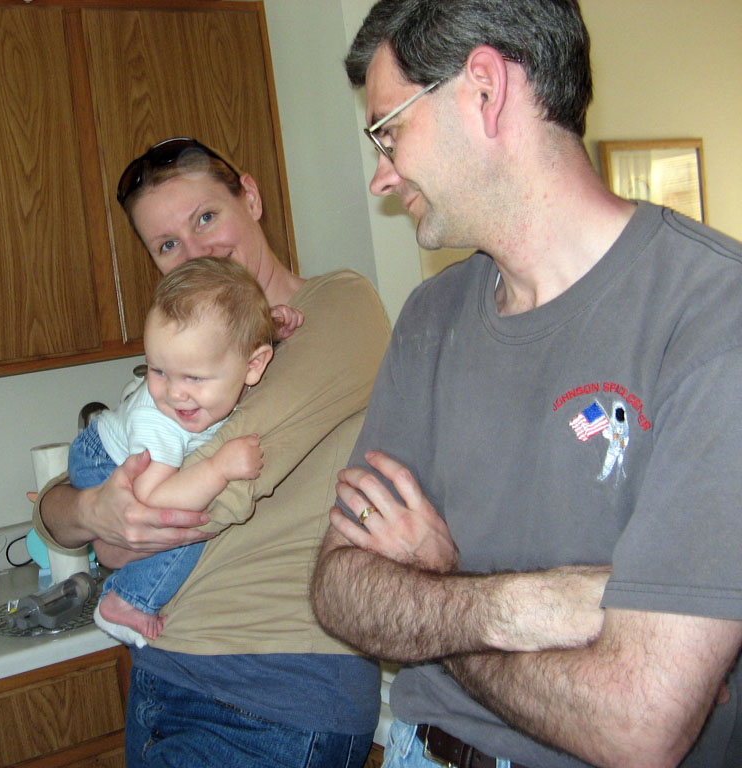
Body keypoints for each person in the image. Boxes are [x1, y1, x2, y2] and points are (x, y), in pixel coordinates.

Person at [310, 2, 742, 768]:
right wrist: (521, 606)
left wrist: (437, 587)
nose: (381, 177)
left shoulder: (714, 316)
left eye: (389, 131)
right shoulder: (430, 316)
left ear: (484, 89)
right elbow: (339, 586)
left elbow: (636, 726)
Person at [33, 137, 391, 767]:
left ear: (249, 197)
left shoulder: (338, 305)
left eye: (205, 217)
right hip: (163, 672)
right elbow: (61, 510)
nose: (196, 252)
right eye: (167, 244)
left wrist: (105, 530)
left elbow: (211, 486)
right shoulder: (189, 362)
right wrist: (86, 511)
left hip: (273, 691)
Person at [69, 256, 289, 647]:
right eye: (158, 371)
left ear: (254, 365)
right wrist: (218, 469)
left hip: (125, 456)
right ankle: (124, 601)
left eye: (193, 377)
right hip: (104, 462)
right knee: (186, 526)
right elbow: (149, 504)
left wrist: (274, 329)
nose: (173, 393)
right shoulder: (161, 422)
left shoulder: (223, 373)